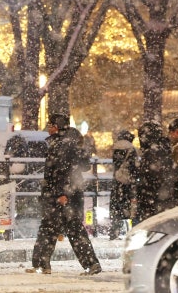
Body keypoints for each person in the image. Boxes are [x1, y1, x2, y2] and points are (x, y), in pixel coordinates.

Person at [29, 113, 101, 276]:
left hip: (61, 195)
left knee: (51, 228)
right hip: (67, 194)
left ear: (58, 127)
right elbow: (77, 168)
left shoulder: (62, 145)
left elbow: (64, 171)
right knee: (68, 228)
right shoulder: (71, 142)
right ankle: (90, 264)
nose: (48, 128)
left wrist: (62, 194)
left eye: (51, 125)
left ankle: (41, 263)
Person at [133, 122, 178, 223]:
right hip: (163, 200)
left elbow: (151, 178)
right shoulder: (165, 149)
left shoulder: (152, 153)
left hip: (153, 201)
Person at [108, 130, 137, 240]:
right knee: (130, 209)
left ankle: (114, 232)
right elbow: (132, 167)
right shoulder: (130, 149)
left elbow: (116, 165)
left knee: (116, 209)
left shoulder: (116, 148)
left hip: (117, 182)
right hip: (127, 183)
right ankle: (133, 233)